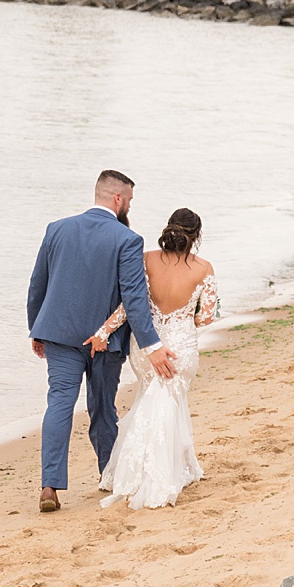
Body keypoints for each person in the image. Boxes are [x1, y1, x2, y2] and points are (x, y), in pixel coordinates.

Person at [26, 170, 175, 514]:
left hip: (59, 334)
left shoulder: (57, 229)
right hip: (105, 343)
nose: (130, 208)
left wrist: (37, 329)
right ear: (118, 199)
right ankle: (109, 474)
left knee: (60, 403)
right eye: (131, 201)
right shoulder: (127, 239)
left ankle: (49, 486)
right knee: (102, 407)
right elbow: (134, 299)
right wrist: (152, 346)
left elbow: (38, 285)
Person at [88, 209, 220, 509]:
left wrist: (103, 331)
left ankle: (176, 466)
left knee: (152, 401)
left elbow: (129, 306)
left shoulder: (146, 259)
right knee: (169, 405)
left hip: (148, 347)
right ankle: (161, 473)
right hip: (181, 346)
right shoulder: (204, 268)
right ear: (196, 237)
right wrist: (187, 318)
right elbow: (207, 316)